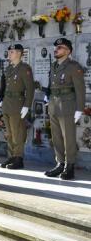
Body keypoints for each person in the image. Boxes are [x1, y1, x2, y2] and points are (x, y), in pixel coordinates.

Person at [45, 38, 85, 180]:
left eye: (60, 47)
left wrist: (79, 108)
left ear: (68, 51)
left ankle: (70, 166)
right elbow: (51, 85)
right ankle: (60, 163)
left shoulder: (73, 66)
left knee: (68, 137)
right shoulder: (54, 65)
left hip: (67, 105)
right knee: (56, 137)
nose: (56, 49)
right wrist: (47, 97)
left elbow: (80, 89)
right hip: (54, 104)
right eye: (56, 47)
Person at [0, 44, 34, 169]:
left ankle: (19, 158)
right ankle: (11, 156)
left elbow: (30, 88)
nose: (9, 54)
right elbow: (4, 87)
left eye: (11, 52)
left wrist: (27, 106)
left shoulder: (25, 68)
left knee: (18, 132)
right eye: (9, 51)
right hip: (7, 103)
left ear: (19, 53)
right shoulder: (8, 69)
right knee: (9, 133)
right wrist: (0, 99)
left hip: (18, 104)